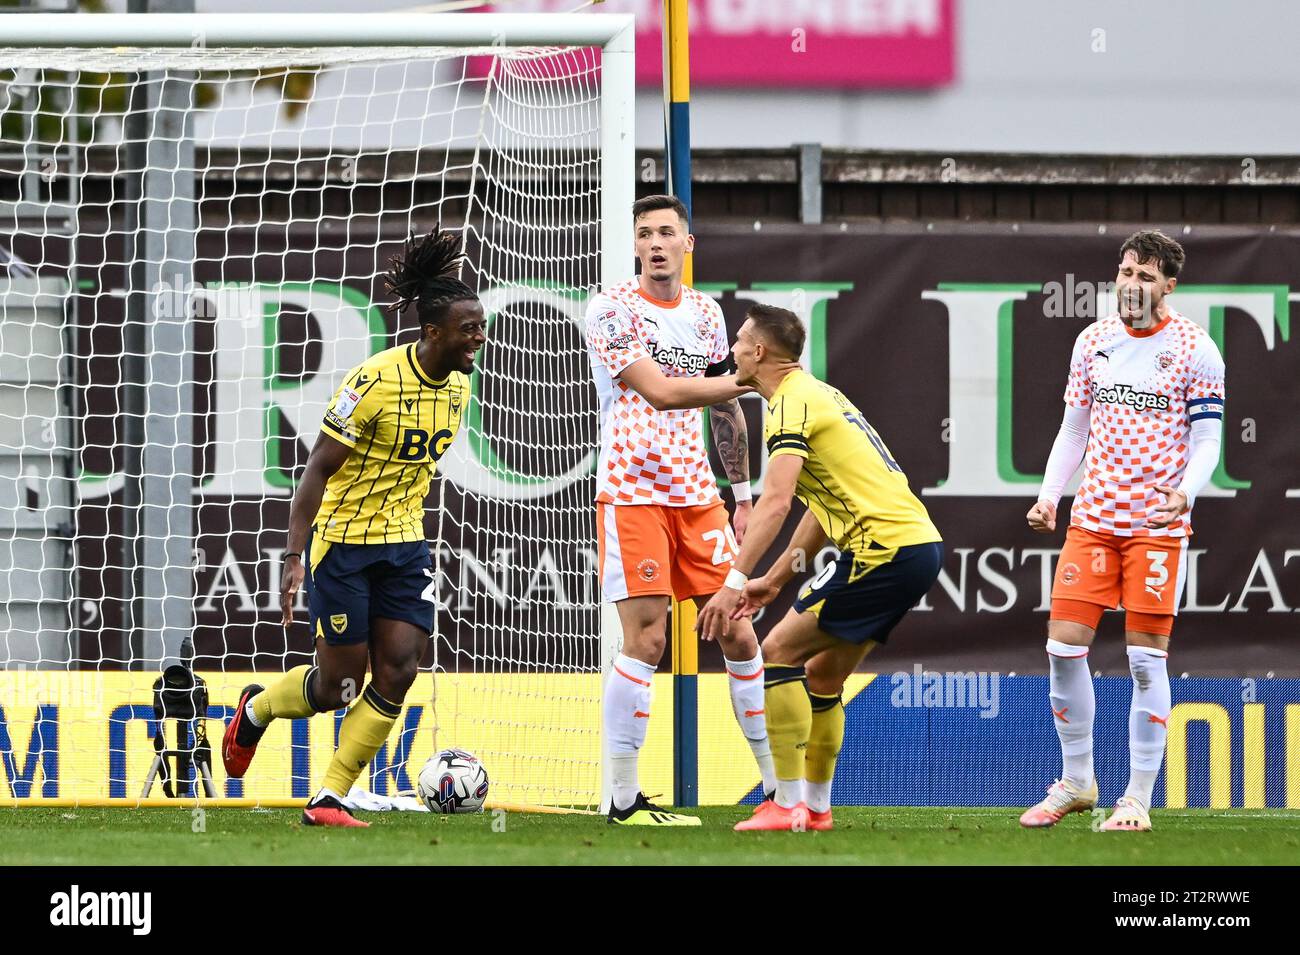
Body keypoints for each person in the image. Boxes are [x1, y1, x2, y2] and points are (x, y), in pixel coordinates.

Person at [221, 229, 483, 827]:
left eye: (481, 327)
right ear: (434, 331)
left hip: (405, 547)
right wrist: (294, 555)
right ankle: (257, 710)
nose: (478, 338)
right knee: (337, 687)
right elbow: (317, 467)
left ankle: (330, 797)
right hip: (342, 547)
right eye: (469, 329)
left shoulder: (461, 386)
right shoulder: (374, 381)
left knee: (400, 668)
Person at [697, 304, 943, 832]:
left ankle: (785, 805)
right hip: (917, 547)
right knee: (823, 676)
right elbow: (816, 505)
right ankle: (816, 809)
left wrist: (734, 581)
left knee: (778, 652)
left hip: (884, 550)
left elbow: (777, 502)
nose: (732, 351)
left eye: (739, 341)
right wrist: (774, 580)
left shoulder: (789, 404)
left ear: (759, 352)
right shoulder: (821, 392)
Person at [1020, 230, 1225, 832]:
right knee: (1062, 648)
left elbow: (1208, 439)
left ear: (1168, 286)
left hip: (1156, 526)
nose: (1130, 284)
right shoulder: (1094, 341)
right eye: (1125, 270)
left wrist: (1185, 493)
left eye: (1145, 275)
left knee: (1143, 659)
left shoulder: (1195, 350)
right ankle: (1079, 783)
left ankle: (1136, 799)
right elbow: (1075, 430)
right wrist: (1048, 496)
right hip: (1095, 518)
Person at [586, 194, 775, 826]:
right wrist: (750, 379)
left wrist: (741, 495)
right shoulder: (612, 309)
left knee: (740, 629)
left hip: (698, 498)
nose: (657, 243)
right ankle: (621, 799)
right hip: (633, 495)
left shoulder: (705, 312)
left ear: (688, 244)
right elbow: (663, 392)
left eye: (669, 232)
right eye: (646, 234)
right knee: (648, 639)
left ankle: (777, 792)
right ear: (635, 246)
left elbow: (722, 411)